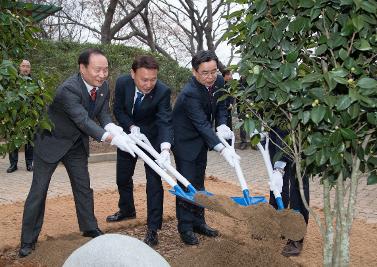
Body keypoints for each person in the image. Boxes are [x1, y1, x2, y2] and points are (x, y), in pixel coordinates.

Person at [19, 48, 114, 257]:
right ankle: (27, 240)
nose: (102, 75)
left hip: (76, 145)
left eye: (105, 70)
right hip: (51, 142)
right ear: (82, 68)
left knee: (83, 187)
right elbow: (82, 120)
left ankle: (89, 226)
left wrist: (113, 128)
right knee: (39, 191)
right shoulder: (68, 89)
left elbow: (103, 114)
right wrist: (110, 138)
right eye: (98, 70)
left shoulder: (103, 86)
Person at [172, 50, 239, 245]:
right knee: (187, 185)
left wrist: (222, 124)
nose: (210, 77)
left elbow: (221, 105)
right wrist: (222, 148)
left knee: (199, 182)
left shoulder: (218, 82)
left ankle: (199, 222)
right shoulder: (189, 93)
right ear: (194, 72)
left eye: (213, 72)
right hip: (184, 142)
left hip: (201, 140)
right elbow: (201, 123)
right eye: (205, 73)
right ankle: (185, 227)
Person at [107, 55, 173, 247]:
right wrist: (131, 127)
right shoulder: (122, 83)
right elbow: (118, 110)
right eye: (144, 79)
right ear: (133, 74)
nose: (149, 84)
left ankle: (153, 228)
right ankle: (127, 209)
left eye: (153, 79)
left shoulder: (162, 91)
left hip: (151, 139)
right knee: (122, 177)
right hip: (129, 136)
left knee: (154, 182)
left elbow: (164, 121)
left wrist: (165, 148)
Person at [267, 128, 310, 257]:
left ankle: (296, 236)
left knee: (298, 182)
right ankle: (276, 223)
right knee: (277, 181)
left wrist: (280, 166)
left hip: (296, 129)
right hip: (275, 130)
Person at [7, 59, 34, 173]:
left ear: (30, 69)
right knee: (14, 140)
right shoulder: (13, 81)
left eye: (27, 66)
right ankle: (13, 164)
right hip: (15, 116)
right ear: (19, 68)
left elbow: (39, 99)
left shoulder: (34, 82)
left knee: (30, 141)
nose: (25, 68)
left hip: (29, 116)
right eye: (23, 66)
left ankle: (29, 164)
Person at [221, 69, 234, 145]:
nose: (231, 77)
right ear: (225, 75)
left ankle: (230, 144)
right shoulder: (219, 84)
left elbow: (232, 95)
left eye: (231, 75)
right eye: (229, 75)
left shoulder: (230, 85)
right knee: (222, 126)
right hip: (221, 110)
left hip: (228, 109)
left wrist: (231, 104)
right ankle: (223, 144)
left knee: (229, 127)